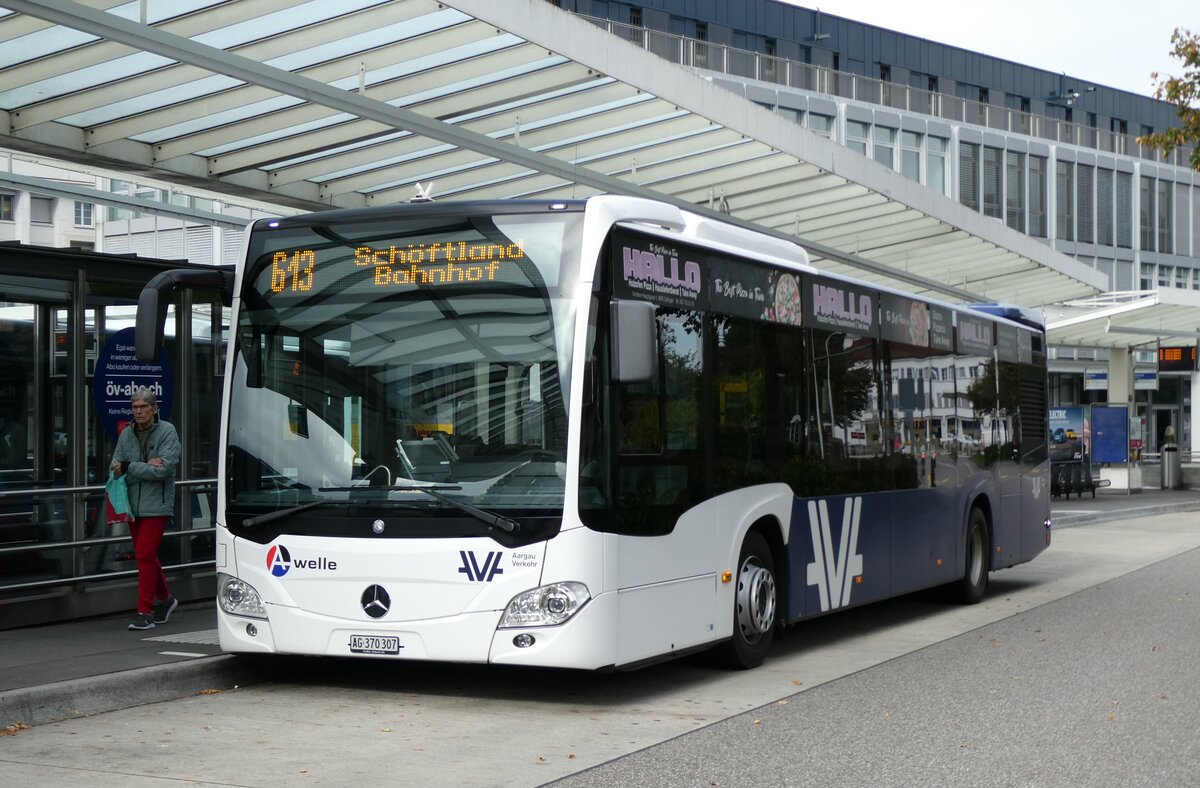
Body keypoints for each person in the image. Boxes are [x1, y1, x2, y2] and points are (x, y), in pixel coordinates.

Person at [111, 387, 180, 631]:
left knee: (144, 554)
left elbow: (164, 470)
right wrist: (141, 468)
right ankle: (167, 600)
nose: (138, 411)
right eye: (135, 407)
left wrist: (130, 467)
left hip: (157, 505)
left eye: (143, 406)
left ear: (154, 408)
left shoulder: (167, 431)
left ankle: (144, 612)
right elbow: (115, 466)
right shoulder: (126, 435)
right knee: (147, 555)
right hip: (133, 505)